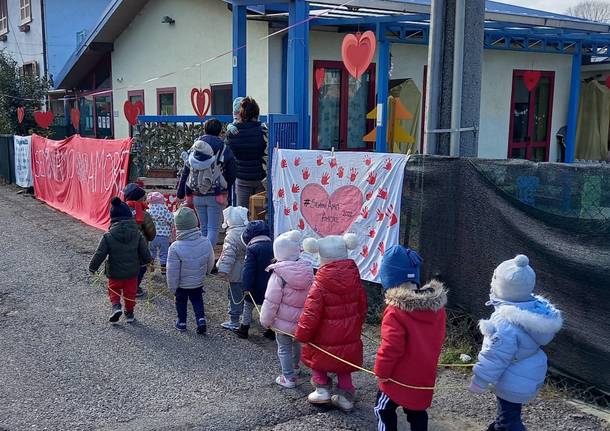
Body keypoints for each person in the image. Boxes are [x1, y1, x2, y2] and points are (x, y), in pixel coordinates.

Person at [469, 255, 563, 431]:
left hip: (512, 377)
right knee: (507, 414)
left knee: (508, 422)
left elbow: (495, 355)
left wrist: (480, 380)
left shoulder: (503, 321)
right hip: (528, 373)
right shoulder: (534, 308)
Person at [374, 246, 447, 431]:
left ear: (389, 281)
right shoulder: (437, 308)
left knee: (383, 408)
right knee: (417, 413)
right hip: (423, 376)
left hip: (396, 379)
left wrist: (381, 372)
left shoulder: (395, 310)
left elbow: (391, 347)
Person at [296, 233, 367, 412]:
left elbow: (311, 313)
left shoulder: (320, 283)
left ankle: (322, 391)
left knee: (318, 359)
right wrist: (357, 324)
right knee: (344, 364)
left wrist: (302, 334)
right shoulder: (355, 279)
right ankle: (345, 396)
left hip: (323, 336)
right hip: (349, 333)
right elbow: (362, 305)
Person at [260, 230, 314, 389]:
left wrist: (266, 320)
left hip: (282, 322)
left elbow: (271, 301)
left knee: (283, 348)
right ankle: (296, 367)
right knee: (297, 343)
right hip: (302, 319)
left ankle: (288, 377)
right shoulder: (307, 270)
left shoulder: (278, 274)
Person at [89, 197, 152, 323]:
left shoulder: (108, 235)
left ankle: (116, 306)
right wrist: (148, 261)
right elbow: (144, 250)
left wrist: (93, 267)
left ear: (112, 218)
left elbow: (100, 253)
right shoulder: (137, 233)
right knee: (130, 292)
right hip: (133, 271)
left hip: (115, 271)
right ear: (129, 217)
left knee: (114, 289)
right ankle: (129, 313)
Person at [177, 118, 236, 246]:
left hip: (196, 193)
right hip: (216, 194)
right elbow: (231, 172)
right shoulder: (224, 147)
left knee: (203, 228)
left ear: (204, 129)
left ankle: (202, 256)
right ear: (220, 131)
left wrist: (181, 192)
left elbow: (186, 169)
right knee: (213, 229)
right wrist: (227, 186)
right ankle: (208, 254)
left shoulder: (195, 147)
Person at [166, 207, 215, 334]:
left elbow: (172, 271)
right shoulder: (205, 241)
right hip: (198, 281)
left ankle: (181, 322)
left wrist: (172, 287)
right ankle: (201, 319)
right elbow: (210, 260)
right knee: (197, 300)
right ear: (195, 222)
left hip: (182, 284)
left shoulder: (175, 247)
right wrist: (206, 273)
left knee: (181, 302)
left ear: (177, 226)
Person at [233, 220, 274, 340]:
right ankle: (271, 330)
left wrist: (246, 287)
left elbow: (248, 270)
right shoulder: (273, 245)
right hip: (271, 284)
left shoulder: (252, 248)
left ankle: (244, 328)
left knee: (248, 305)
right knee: (270, 307)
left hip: (255, 284)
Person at [225, 97, 268, 209]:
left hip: (242, 178)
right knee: (260, 214)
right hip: (261, 177)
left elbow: (228, 152)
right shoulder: (264, 131)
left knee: (241, 212)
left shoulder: (232, 133)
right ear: (256, 114)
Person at [216, 206, 249, 330]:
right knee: (247, 297)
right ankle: (246, 319)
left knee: (235, 296)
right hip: (249, 271)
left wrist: (223, 270)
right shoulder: (248, 232)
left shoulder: (231, 236)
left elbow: (228, 255)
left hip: (236, 272)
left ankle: (234, 320)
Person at [123, 183, 156, 297]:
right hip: (139, 247)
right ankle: (134, 287)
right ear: (139, 198)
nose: (145, 200)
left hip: (122, 245)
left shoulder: (120, 210)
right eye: (143, 198)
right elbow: (151, 233)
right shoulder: (143, 214)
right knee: (141, 267)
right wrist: (149, 237)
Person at [146, 192, 174, 275]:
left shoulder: (148, 210)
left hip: (151, 236)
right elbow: (171, 220)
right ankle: (163, 269)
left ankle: (151, 265)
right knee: (164, 253)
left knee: (151, 251)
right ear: (162, 201)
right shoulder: (165, 210)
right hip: (164, 236)